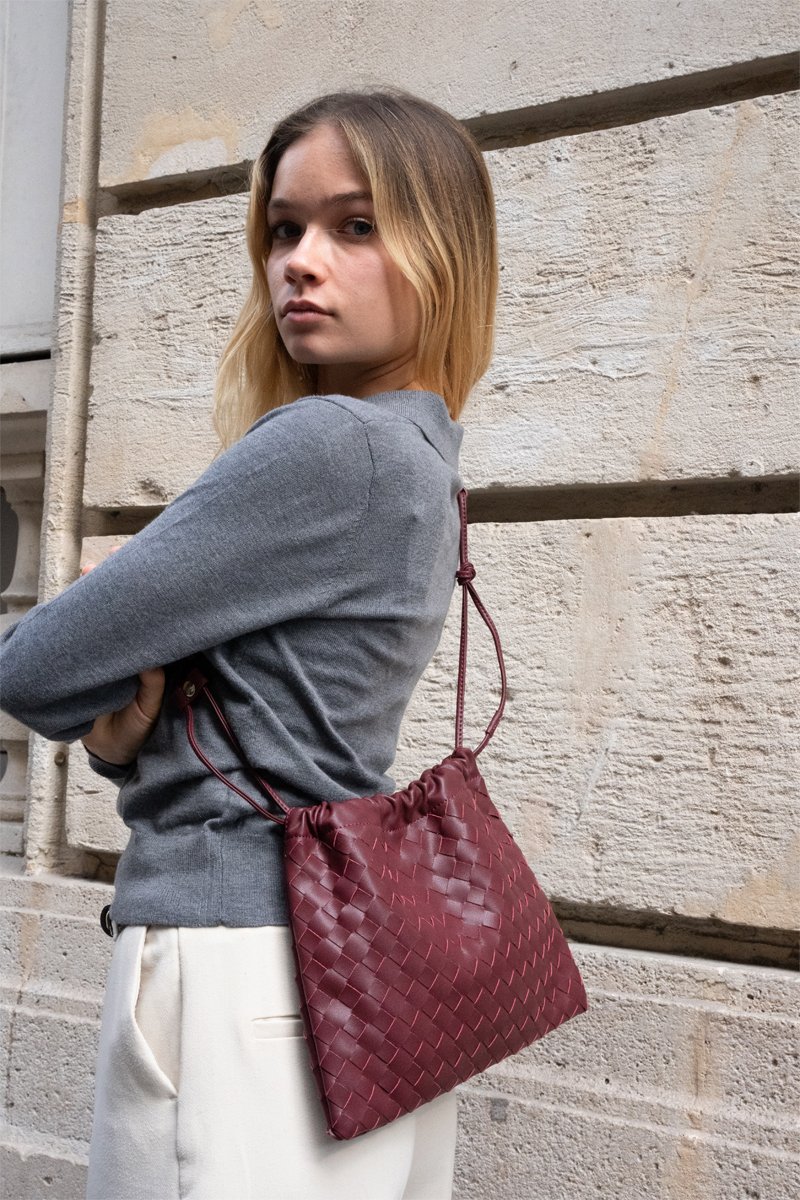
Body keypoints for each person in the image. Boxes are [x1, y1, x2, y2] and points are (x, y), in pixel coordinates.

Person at [0, 88, 498, 1199]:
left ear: (442, 251)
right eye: (283, 229)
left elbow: (32, 669)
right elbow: (289, 720)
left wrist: (118, 715)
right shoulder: (426, 463)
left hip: (237, 972)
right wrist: (133, 739)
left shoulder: (329, 444)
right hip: (358, 985)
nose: (300, 264)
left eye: (355, 226)